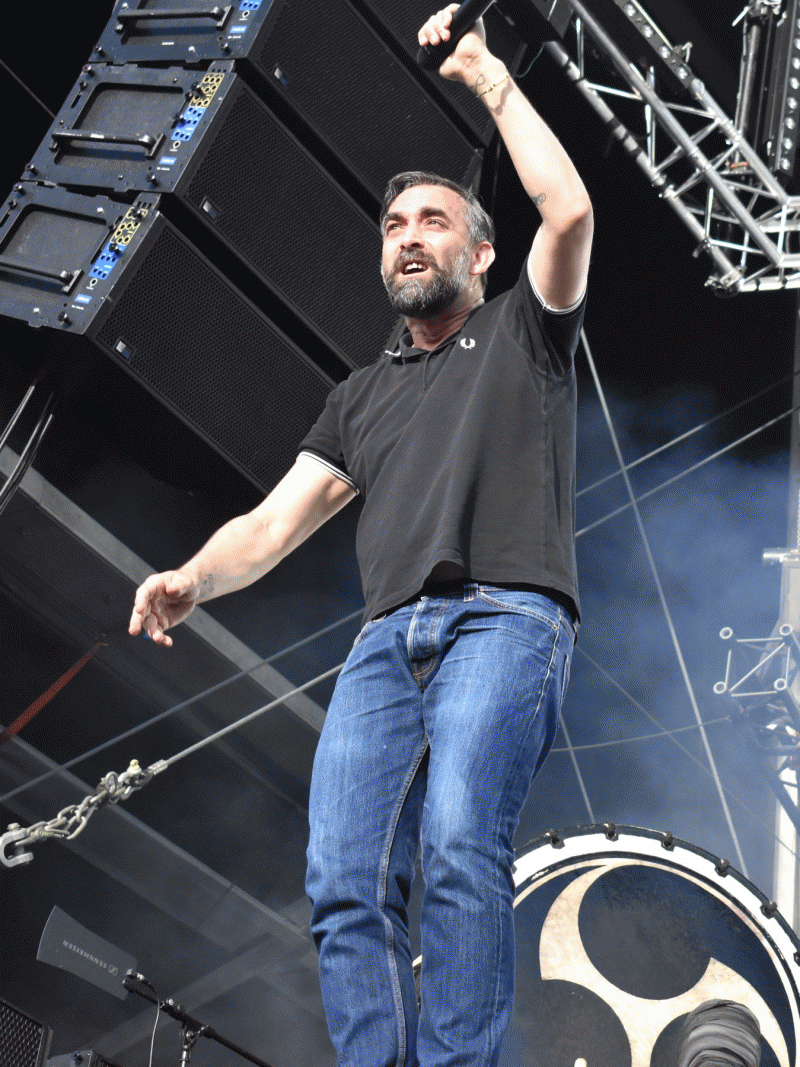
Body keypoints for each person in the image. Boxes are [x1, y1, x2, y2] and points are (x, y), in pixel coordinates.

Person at [127, 5, 592, 1064]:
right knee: (342, 878)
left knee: (461, 843)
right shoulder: (360, 396)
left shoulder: (524, 330)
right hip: (386, 645)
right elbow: (272, 523)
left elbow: (566, 209)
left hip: (504, 621)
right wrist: (194, 576)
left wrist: (487, 79)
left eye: (433, 221)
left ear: (481, 252)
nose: (409, 236)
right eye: (393, 226)